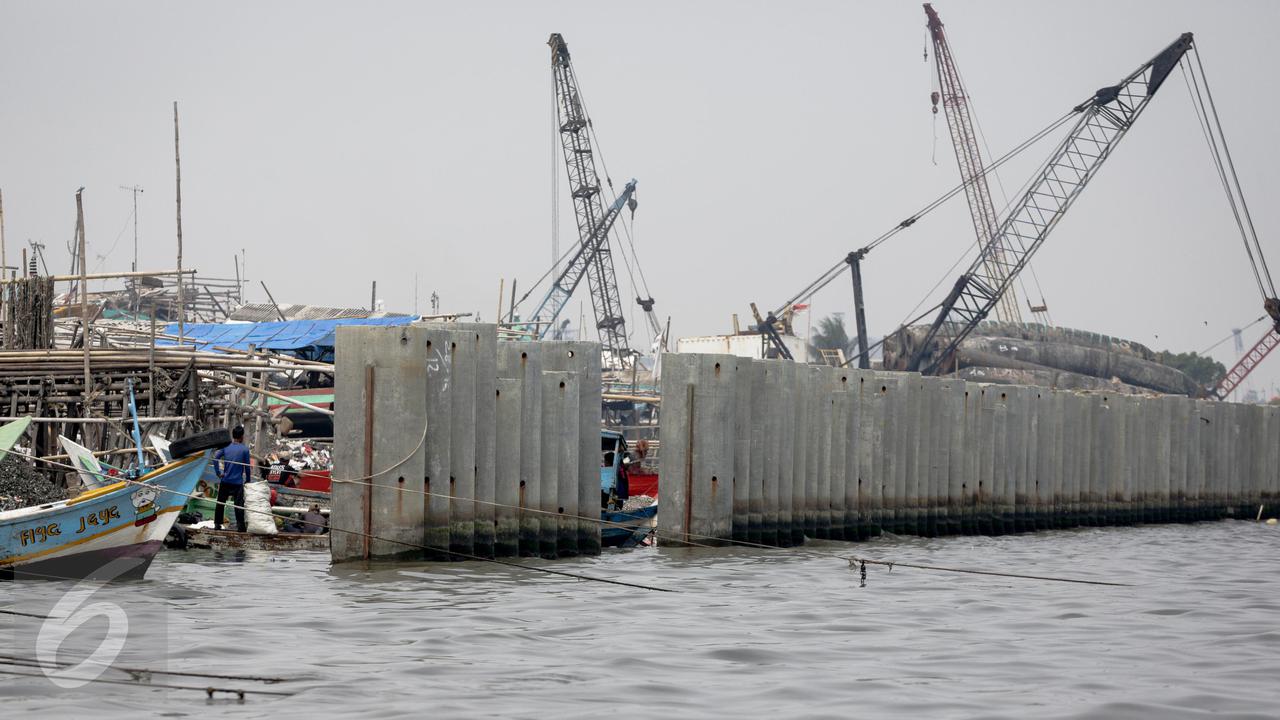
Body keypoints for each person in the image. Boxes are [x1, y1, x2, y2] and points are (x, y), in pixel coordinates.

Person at [212, 426, 252, 532]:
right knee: (239, 505)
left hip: (225, 480)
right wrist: (248, 480)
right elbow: (247, 467)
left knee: (220, 503)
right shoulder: (244, 449)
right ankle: (241, 527)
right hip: (237, 483)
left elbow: (215, 458)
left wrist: (218, 473)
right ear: (242, 436)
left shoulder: (226, 447)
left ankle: (217, 524)